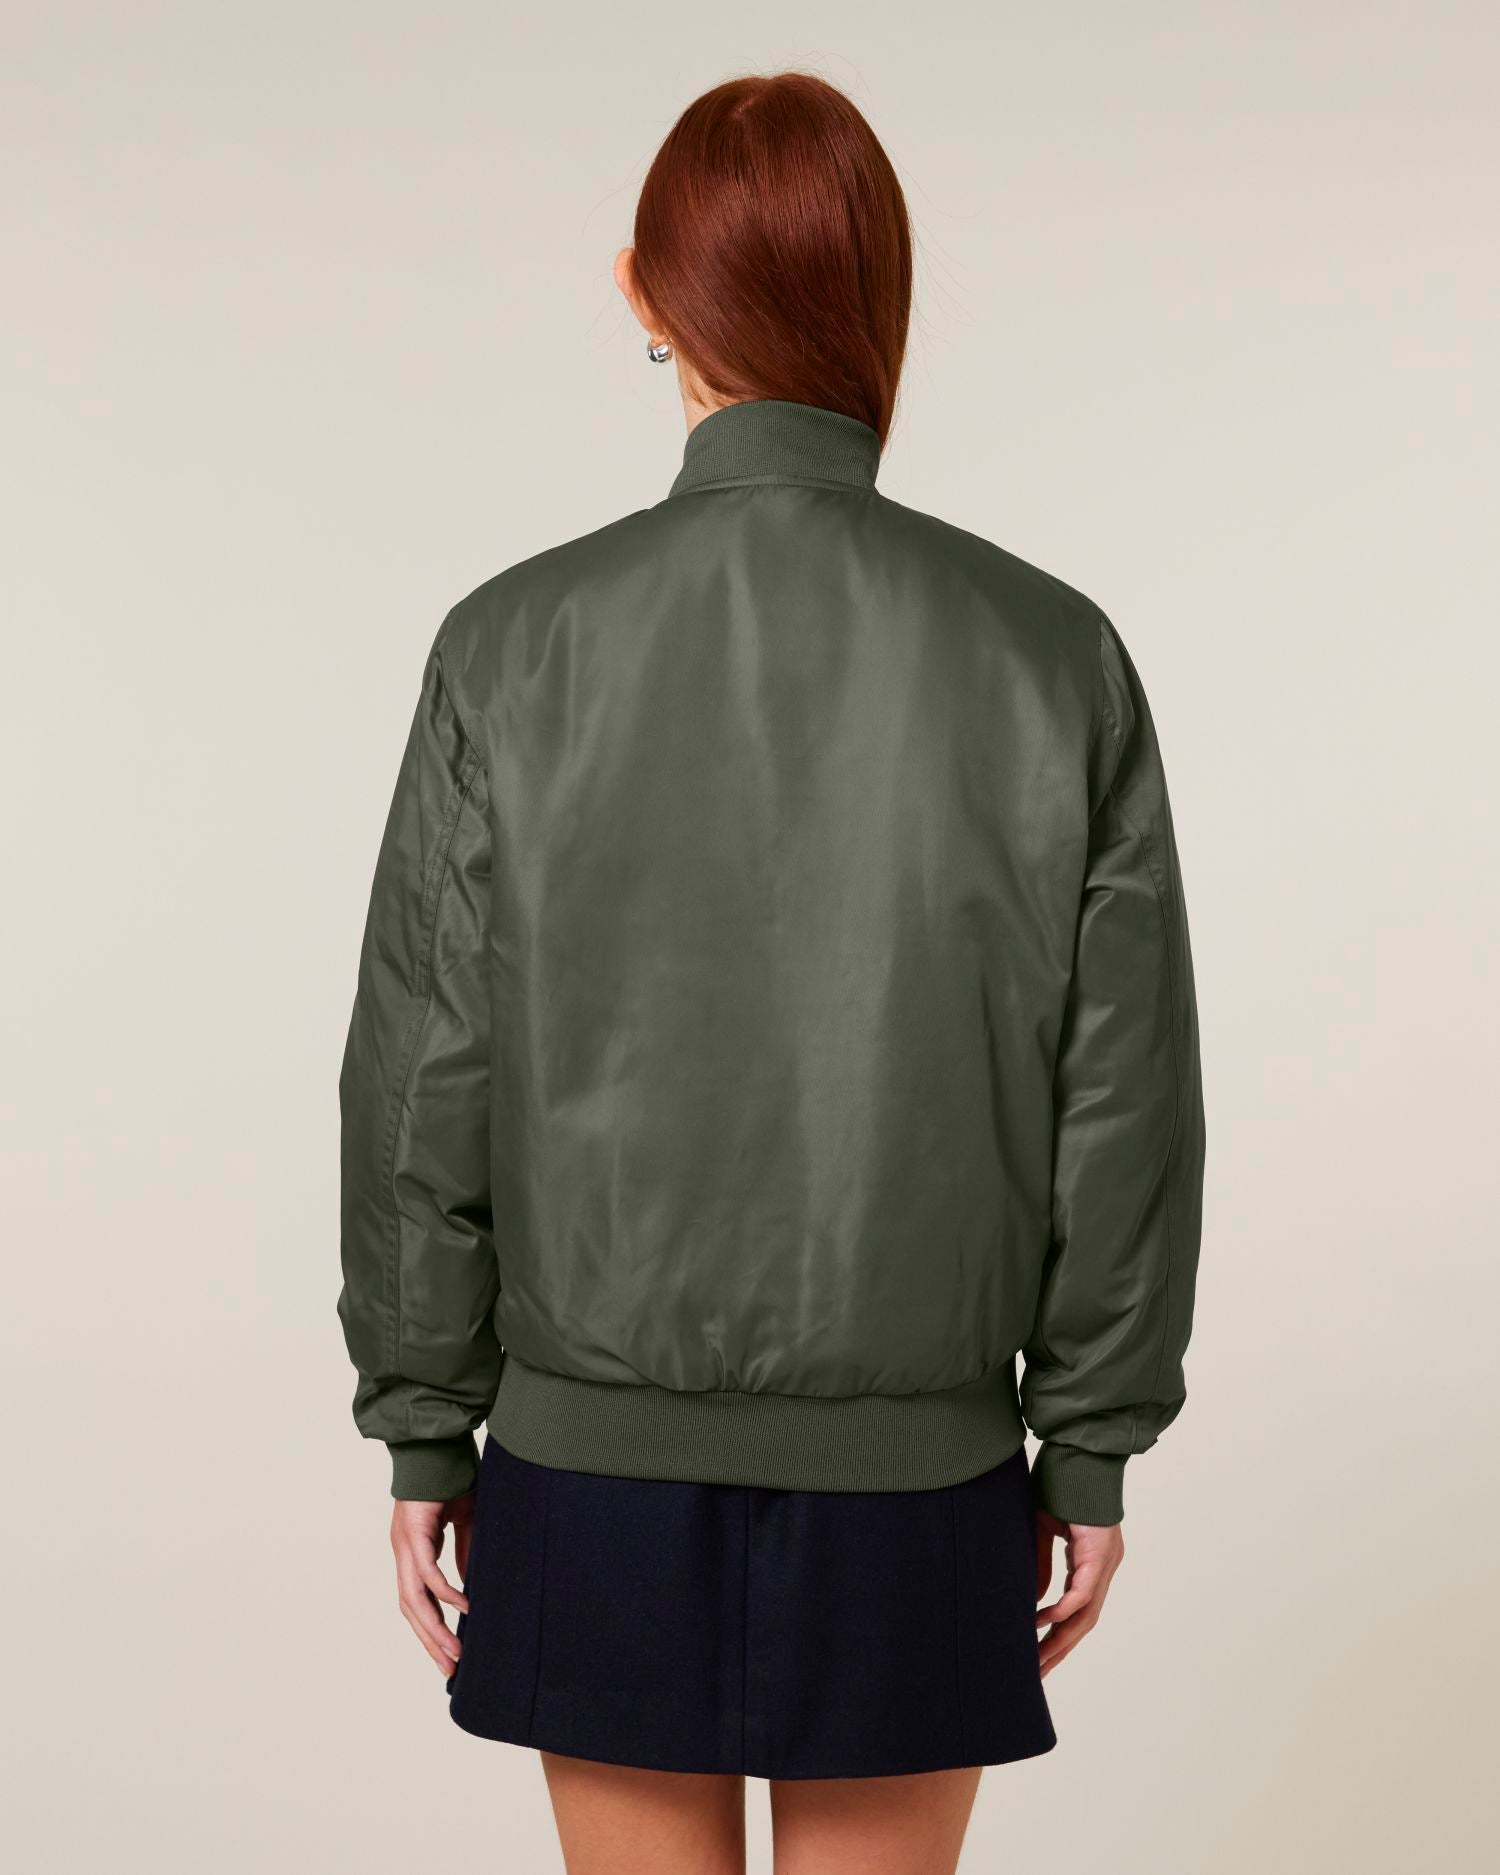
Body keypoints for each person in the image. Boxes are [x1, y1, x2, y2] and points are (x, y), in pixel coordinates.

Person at [337, 70, 1205, 1875]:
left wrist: (426, 1427)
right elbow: (1119, 1100)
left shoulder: (510, 646)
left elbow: (427, 1075)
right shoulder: (1053, 656)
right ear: (880, 302)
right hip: (922, 1485)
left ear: (645, 295)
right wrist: (1088, 1446)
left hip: (590, 1479)